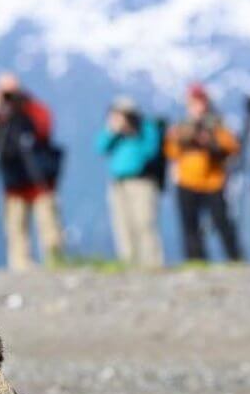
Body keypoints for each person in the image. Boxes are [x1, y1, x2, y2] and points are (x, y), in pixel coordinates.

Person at [0, 73, 64, 271]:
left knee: (48, 224)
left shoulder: (33, 108)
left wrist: (23, 108)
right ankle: (21, 266)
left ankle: (55, 262)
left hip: (39, 179)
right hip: (13, 181)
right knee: (15, 227)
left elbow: (44, 128)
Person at [165, 83, 242, 262]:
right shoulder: (181, 127)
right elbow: (172, 153)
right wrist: (177, 138)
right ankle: (196, 260)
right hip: (187, 182)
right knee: (190, 225)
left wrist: (210, 141)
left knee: (222, 223)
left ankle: (235, 258)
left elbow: (232, 147)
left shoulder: (217, 125)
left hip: (213, 182)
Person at [94, 96, 165, 269]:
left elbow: (151, 151)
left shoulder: (146, 128)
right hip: (118, 183)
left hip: (142, 181)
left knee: (144, 222)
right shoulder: (114, 133)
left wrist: (133, 132)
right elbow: (100, 147)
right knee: (122, 224)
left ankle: (152, 262)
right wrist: (113, 131)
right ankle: (128, 262)